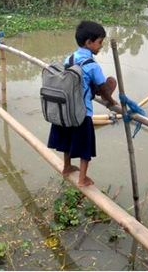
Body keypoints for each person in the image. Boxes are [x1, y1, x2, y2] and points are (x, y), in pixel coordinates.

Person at [48, 20, 118, 187]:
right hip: (83, 112)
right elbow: (103, 89)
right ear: (89, 42)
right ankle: (82, 179)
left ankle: (66, 167)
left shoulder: (69, 58)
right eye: (99, 42)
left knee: (67, 140)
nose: (101, 46)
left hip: (67, 109)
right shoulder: (92, 65)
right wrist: (112, 102)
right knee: (85, 148)